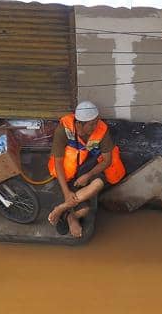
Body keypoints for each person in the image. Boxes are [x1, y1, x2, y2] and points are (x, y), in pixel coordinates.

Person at [47, 100, 126, 238]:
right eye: (91, 124)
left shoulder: (102, 130)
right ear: (79, 124)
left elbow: (107, 161)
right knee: (84, 210)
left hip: (90, 168)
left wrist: (88, 175)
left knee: (98, 183)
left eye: (96, 122)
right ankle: (71, 216)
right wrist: (66, 192)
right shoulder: (64, 129)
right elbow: (58, 162)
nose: (95, 126)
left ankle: (62, 208)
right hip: (69, 171)